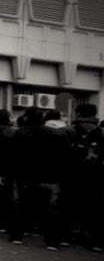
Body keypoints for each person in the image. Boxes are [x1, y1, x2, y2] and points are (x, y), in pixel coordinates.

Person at [8, 107, 69, 250]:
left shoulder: (19, 133)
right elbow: (65, 157)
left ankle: (17, 236)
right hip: (50, 176)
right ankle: (52, 241)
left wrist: (9, 173)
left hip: (24, 175)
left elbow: (12, 156)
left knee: (20, 206)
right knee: (52, 209)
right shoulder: (59, 134)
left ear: (26, 117)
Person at [60, 104, 104, 252]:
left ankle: (64, 237)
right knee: (93, 209)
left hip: (71, 176)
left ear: (78, 114)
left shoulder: (67, 131)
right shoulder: (102, 132)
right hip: (95, 178)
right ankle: (92, 240)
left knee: (67, 206)